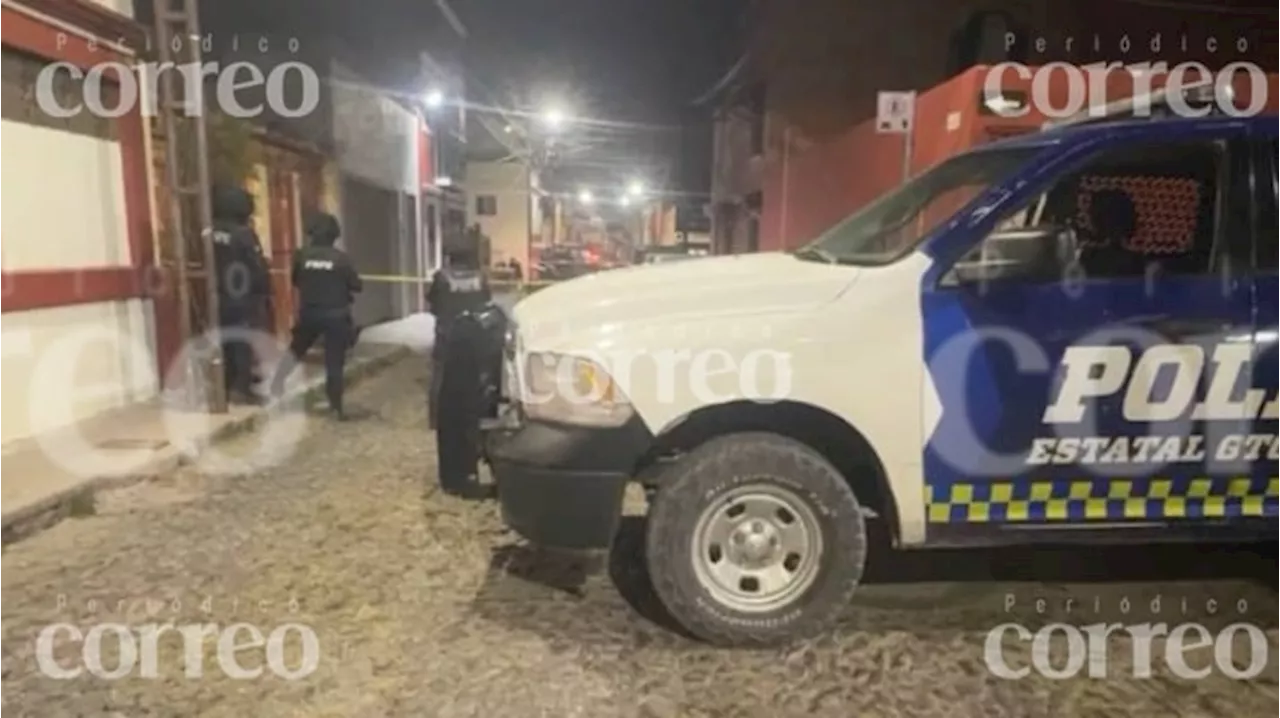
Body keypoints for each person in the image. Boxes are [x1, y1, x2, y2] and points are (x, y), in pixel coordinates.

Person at [270, 211, 362, 420]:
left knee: (296, 349)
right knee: (334, 361)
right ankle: (336, 406)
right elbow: (357, 286)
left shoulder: (301, 255)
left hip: (310, 312)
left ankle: (277, 383)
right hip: (336, 316)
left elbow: (295, 280)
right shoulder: (341, 259)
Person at [209, 184, 270, 405]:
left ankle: (226, 383)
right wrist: (265, 289)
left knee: (224, 339)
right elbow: (256, 267)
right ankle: (241, 389)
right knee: (243, 341)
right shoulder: (244, 234)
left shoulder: (209, 230)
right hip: (242, 295)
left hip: (215, 294)